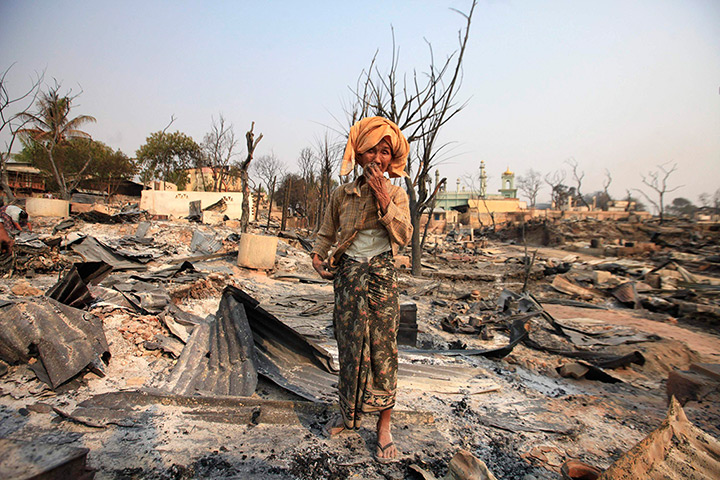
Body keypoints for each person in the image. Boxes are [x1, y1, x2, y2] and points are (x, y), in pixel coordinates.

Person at [311, 116, 413, 463]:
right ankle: (349, 416)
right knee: (350, 346)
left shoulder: (397, 194)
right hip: (348, 276)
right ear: (359, 153)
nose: (378, 159)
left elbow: (404, 235)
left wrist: (384, 198)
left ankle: (384, 427)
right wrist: (317, 255)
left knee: (383, 351)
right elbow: (327, 232)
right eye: (372, 150)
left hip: (382, 277)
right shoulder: (343, 194)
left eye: (385, 152)